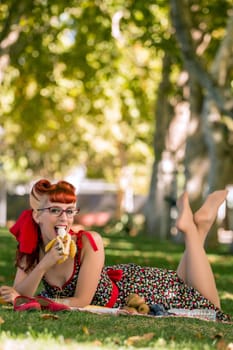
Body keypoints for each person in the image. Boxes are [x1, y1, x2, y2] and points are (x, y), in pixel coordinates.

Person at [0, 179, 230, 321]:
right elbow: (20, 292)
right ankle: (201, 226)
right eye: (55, 210)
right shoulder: (30, 245)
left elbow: (81, 301)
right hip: (129, 293)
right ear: (37, 215)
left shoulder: (89, 242)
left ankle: (190, 229)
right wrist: (44, 264)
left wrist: (35, 299)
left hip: (137, 290)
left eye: (70, 211)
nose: (64, 218)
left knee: (211, 308)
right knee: (186, 282)